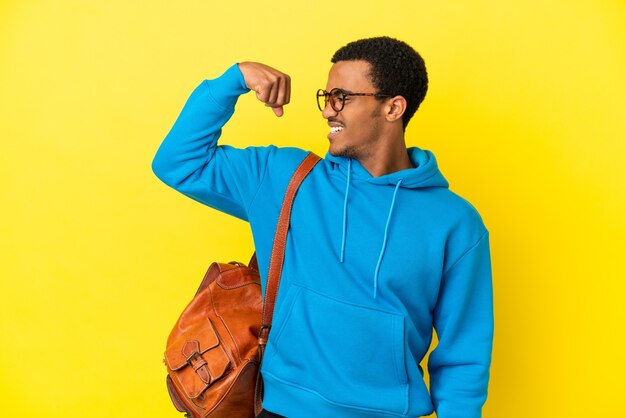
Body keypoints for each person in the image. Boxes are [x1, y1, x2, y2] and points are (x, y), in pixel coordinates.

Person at [152, 36, 493, 418]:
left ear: (393, 108)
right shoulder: (284, 178)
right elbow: (177, 163)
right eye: (326, 96)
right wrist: (235, 80)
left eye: (342, 97)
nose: (328, 110)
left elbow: (463, 355)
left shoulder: (455, 223)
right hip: (280, 409)